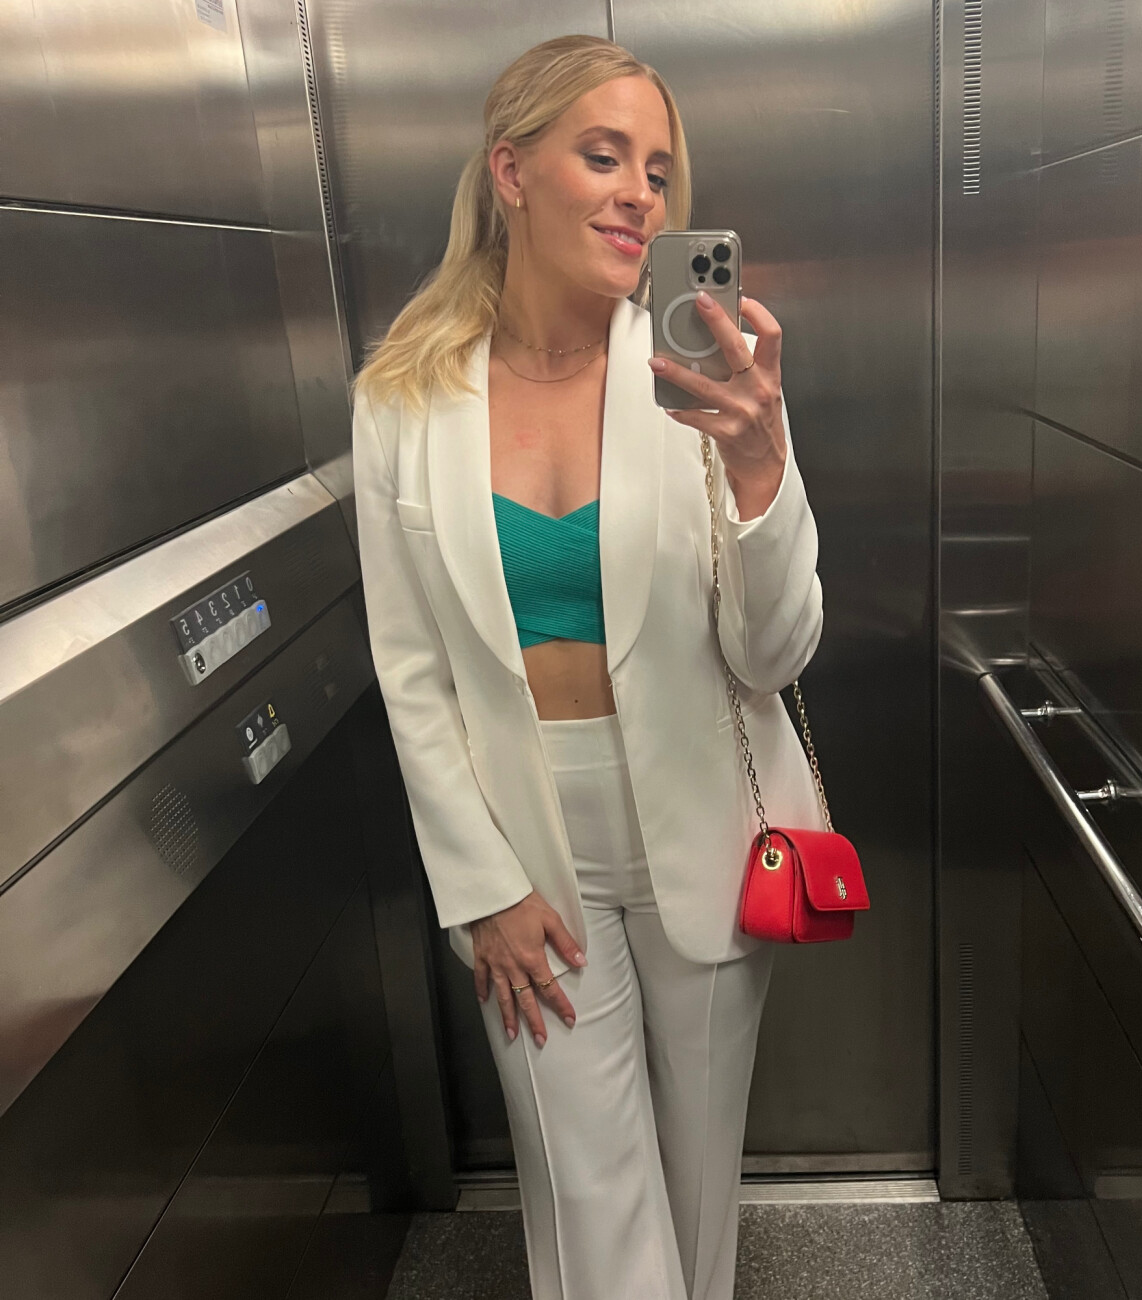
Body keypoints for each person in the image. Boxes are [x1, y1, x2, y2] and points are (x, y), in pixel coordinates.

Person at [352, 33, 824, 1300]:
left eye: (657, 172)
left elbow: (773, 651)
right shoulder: (404, 396)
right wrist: (478, 886)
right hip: (523, 842)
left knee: (697, 1183)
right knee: (586, 1192)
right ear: (511, 172)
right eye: (603, 157)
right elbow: (409, 666)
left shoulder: (698, 382)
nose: (639, 196)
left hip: (703, 825)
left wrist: (761, 469)